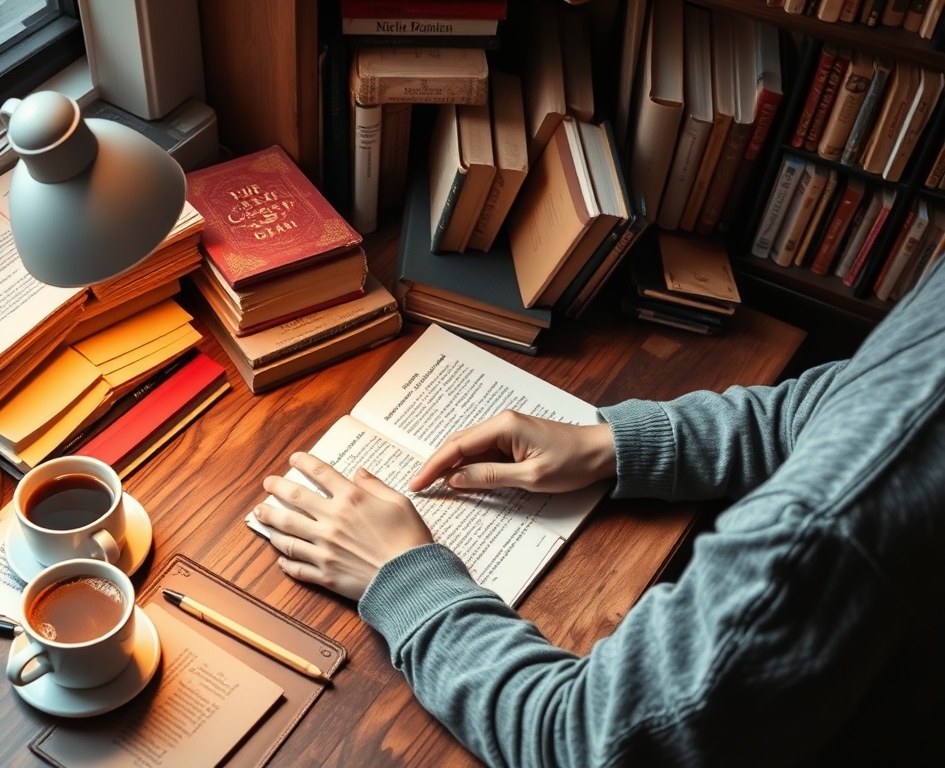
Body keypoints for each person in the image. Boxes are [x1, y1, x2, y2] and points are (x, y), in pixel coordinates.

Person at [253, 257, 945, 767]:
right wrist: (616, 443)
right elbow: (845, 399)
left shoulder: (837, 524)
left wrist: (404, 576)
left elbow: (583, 741)